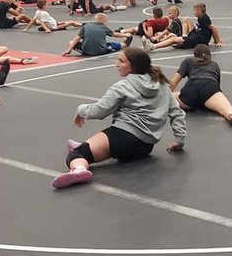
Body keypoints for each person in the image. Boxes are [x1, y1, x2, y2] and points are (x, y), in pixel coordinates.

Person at [52, 48, 185, 189]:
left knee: (78, 154)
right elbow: (176, 112)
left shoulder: (122, 86)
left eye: (121, 61)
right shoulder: (162, 84)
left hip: (122, 138)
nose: (117, 64)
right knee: (100, 145)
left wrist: (81, 109)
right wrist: (180, 139)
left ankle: (79, 170)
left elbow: (100, 111)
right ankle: (88, 145)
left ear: (133, 66)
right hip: (145, 147)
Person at [168, 45, 232, 124]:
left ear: (195, 55)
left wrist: (166, 94)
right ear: (209, 55)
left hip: (191, 87)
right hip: (209, 86)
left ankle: (162, 101)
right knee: (225, 108)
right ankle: (231, 114)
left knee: (172, 96)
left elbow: (174, 82)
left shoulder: (188, 61)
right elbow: (217, 87)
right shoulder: (214, 65)